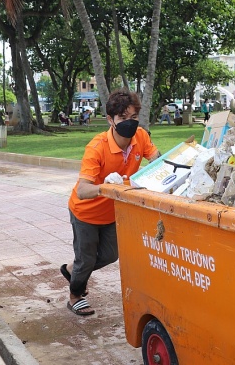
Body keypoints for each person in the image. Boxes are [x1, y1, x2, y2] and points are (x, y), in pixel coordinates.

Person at [64, 89, 160, 316]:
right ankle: (74, 296)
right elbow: (83, 190)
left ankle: (72, 269)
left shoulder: (141, 138)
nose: (130, 123)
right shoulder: (97, 148)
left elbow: (158, 161)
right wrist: (106, 187)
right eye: (123, 118)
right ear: (110, 119)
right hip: (85, 213)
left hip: (111, 213)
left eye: (133, 117)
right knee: (86, 260)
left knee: (110, 255)